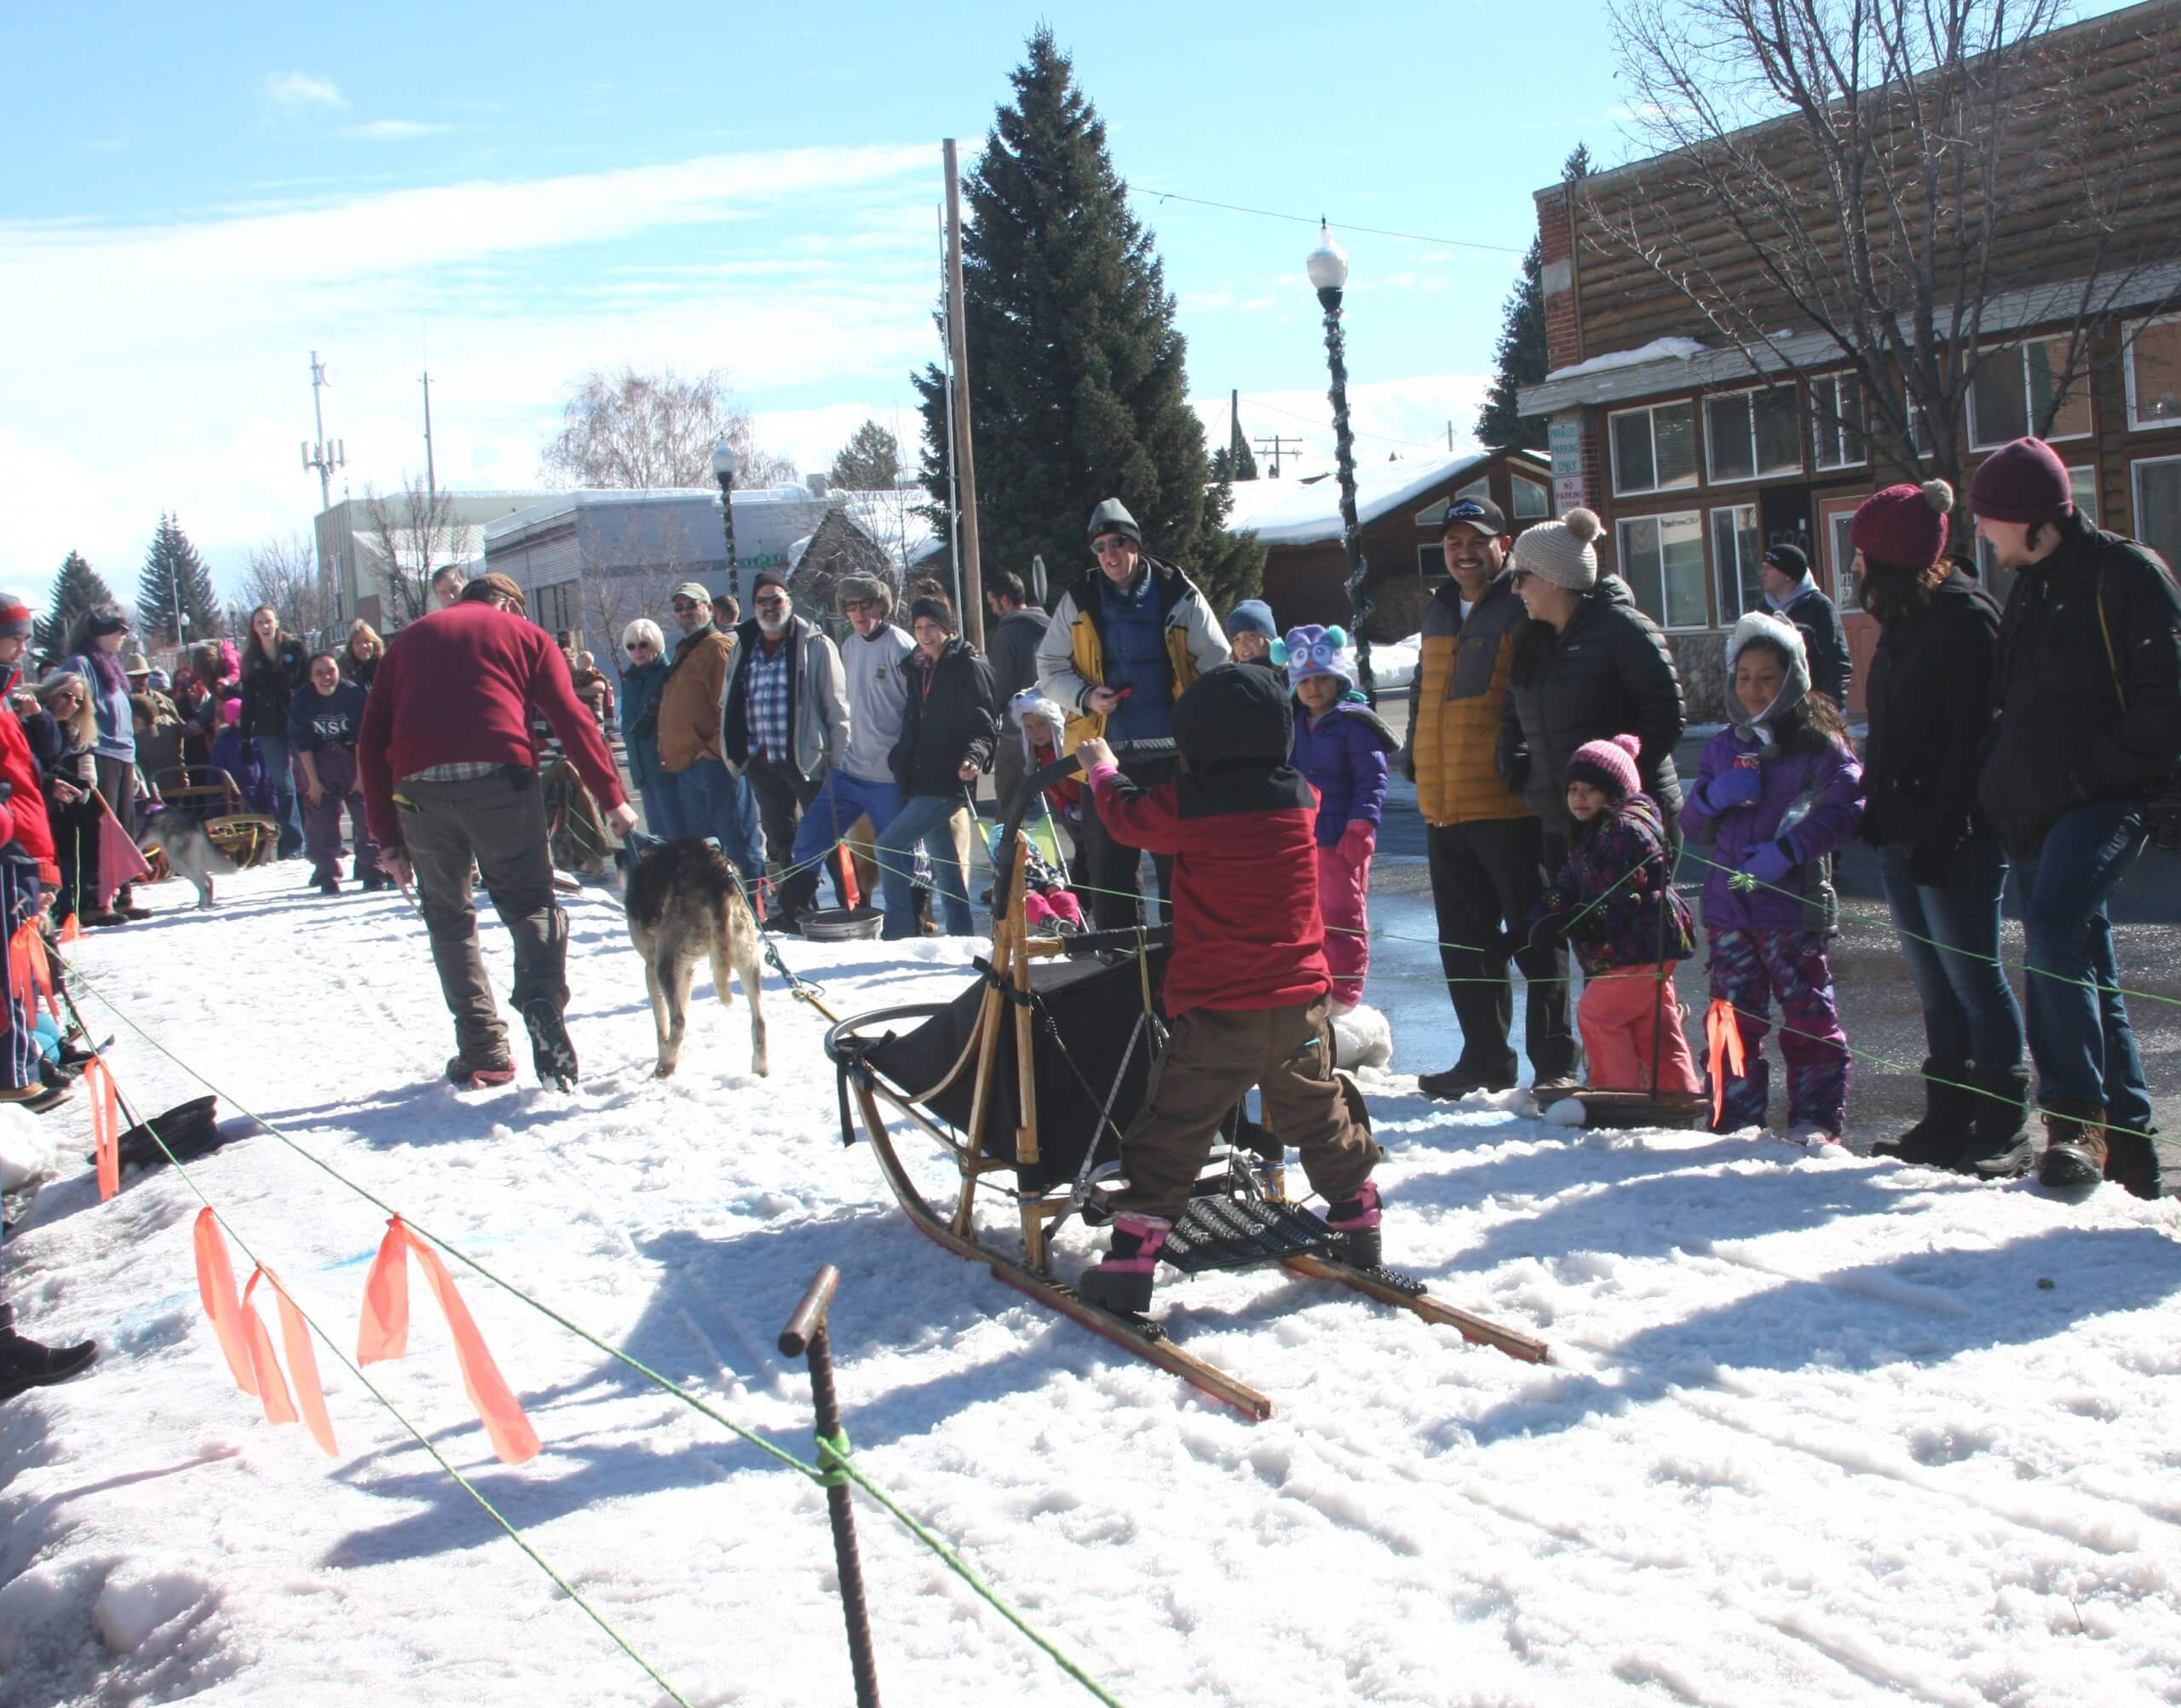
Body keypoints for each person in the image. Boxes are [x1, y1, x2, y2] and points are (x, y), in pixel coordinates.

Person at [1071, 664, 1383, 1314]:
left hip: (1220, 1008)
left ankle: (1131, 1260)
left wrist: (1102, 767)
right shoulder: (1300, 796)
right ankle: (1357, 1217)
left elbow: (1127, 819)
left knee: (1173, 1128)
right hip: (1299, 1003)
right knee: (1317, 1113)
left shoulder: (1191, 801)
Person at [1972, 436, 2181, 1197]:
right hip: (2034, 809)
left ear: (2035, 521)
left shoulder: (2127, 576)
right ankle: (2133, 1149)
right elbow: (2014, 707)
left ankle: (2072, 1121)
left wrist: (2086, 773)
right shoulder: (2028, 584)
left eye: (1992, 520)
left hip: (2108, 797)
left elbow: (2167, 702)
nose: (1984, 534)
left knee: (2055, 928)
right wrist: (1998, 786)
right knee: (2086, 962)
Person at [358, 573, 638, 1090]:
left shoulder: (410, 640)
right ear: (510, 603)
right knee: (531, 903)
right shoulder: (525, 636)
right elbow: (573, 719)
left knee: (449, 919)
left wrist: (387, 840)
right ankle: (539, 997)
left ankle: (484, 1046)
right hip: (500, 779)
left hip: (419, 792)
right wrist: (611, 797)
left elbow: (371, 741)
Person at [1851, 480, 2027, 1175]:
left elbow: (1976, 737)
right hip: (1901, 826)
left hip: (1954, 832)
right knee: (1933, 982)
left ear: (1893, 558)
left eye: (1865, 553)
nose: (1857, 566)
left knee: (1974, 975)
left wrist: (1947, 825)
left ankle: (2003, 1123)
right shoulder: (1905, 613)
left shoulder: (1966, 616)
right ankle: (1947, 1117)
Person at [1406, 496, 1579, 1101]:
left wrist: (1528, 762)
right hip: (1444, 804)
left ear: (1504, 545)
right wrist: (1412, 751)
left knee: (1536, 938)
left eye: (1477, 540)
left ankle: (1554, 1062)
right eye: (1454, 542)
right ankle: (1484, 1058)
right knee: (1465, 943)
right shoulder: (1436, 611)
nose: (1464, 553)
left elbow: (1539, 693)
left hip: (1509, 805)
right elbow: (1424, 694)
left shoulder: (1522, 604)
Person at [1682, 612, 1864, 1143]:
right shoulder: (1723, 746)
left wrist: (1789, 848)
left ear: (1792, 680)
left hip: (1791, 905)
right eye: (1745, 677)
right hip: (1730, 906)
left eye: (1767, 678)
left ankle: (1816, 1119)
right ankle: (1733, 1117)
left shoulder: (1819, 746)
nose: (1754, 689)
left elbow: (1848, 810)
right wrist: (1713, 797)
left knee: (1808, 1015)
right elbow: (1691, 827)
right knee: (1730, 1020)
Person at [1035, 498, 1229, 929]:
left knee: (1179, 869)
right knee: (1111, 875)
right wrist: (1086, 696)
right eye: (1101, 547)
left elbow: (1216, 657)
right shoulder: (1079, 598)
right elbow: (1048, 666)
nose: (1109, 554)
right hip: (1104, 758)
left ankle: (1184, 960)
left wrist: (1194, 710)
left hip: (1172, 757)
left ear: (1136, 545)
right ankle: (1119, 965)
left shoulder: (1178, 592)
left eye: (1118, 542)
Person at [1521, 735, 1700, 1107]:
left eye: (1591, 790)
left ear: (1616, 793)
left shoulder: (1624, 831)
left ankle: (1615, 1095)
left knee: (1598, 1013)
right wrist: (1533, 924)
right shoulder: (1591, 834)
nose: (1579, 798)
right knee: (1653, 1025)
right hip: (1639, 945)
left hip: (1640, 944)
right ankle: (1677, 1095)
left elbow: (1622, 892)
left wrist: (1583, 920)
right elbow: (1568, 886)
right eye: (1573, 789)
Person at [1501, 508, 1686, 861]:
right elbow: (1512, 718)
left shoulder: (1623, 628)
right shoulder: (1530, 638)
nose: (1515, 589)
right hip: (1561, 821)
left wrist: (1613, 784)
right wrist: (1520, 775)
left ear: (1552, 578)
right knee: (1568, 918)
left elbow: (1665, 714)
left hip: (1631, 821)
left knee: (1631, 917)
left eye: (1521, 577)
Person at [777, 574, 914, 923]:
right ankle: (793, 909)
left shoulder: (901, 646)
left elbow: (919, 710)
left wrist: (909, 760)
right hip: (850, 771)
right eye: (851, 606)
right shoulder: (849, 646)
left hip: (887, 776)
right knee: (810, 835)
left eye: (866, 604)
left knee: (898, 856)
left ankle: (908, 923)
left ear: (882, 605)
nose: (859, 612)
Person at [720, 571, 849, 918]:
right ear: (753, 606)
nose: (770, 607)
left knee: (828, 839)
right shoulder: (743, 646)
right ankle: (798, 909)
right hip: (762, 761)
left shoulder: (815, 644)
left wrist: (838, 757)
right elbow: (730, 700)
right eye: (762, 601)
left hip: (808, 760)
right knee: (782, 842)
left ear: (789, 602)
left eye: (776, 600)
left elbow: (837, 706)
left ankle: (853, 906)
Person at [1284, 625, 1394, 1013]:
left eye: (1322, 678)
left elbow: (1372, 780)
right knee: (1306, 915)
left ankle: (1345, 995)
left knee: (1343, 914)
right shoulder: (1292, 725)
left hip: (1341, 836)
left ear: (1338, 679)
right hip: (1302, 837)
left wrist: (1362, 824)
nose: (1313, 688)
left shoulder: (1353, 723)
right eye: (1305, 680)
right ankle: (1313, 982)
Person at [878, 594, 995, 939]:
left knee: (888, 845)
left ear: (948, 629)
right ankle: (962, 937)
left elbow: (984, 723)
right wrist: (900, 757)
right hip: (919, 777)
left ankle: (897, 933)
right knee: (945, 868)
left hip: (948, 779)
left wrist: (974, 757)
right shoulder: (919, 667)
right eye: (918, 627)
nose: (925, 634)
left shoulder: (968, 665)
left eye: (932, 627)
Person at [651, 581, 761, 876]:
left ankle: (753, 914)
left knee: (738, 848)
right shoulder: (689, 649)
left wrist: (712, 749)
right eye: (679, 607)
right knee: (706, 854)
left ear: (710, 610)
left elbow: (735, 706)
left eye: (693, 605)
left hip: (716, 766)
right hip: (690, 769)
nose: (685, 612)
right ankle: (719, 916)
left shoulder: (717, 647)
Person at [62, 604, 147, 920]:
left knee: (125, 828)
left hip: (123, 754)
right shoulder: (80, 664)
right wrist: (83, 755)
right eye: (118, 631)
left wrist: (135, 764)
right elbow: (71, 711)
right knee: (100, 830)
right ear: (98, 632)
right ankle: (96, 900)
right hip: (99, 753)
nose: (124, 636)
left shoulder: (112, 665)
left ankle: (122, 894)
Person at [291, 651, 383, 895]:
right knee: (319, 816)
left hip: (352, 757)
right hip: (319, 760)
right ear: (311, 677)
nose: (325, 677)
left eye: (330, 671)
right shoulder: (303, 699)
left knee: (366, 814)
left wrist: (362, 778)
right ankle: (326, 872)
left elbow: (365, 738)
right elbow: (303, 745)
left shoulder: (353, 695)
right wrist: (313, 782)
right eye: (319, 673)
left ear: (338, 671)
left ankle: (372, 869)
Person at [237, 605, 308, 860]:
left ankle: (320, 837)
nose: (265, 627)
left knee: (310, 779)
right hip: (269, 727)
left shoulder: (294, 650)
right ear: (254, 628)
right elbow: (248, 701)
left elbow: (308, 684)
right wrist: (245, 737)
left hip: (297, 721)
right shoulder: (251, 660)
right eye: (260, 623)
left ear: (277, 622)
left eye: (268, 621)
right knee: (283, 785)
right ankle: (294, 844)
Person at [34, 675, 106, 926]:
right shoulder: (34, 721)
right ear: (53, 693)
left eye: (77, 701)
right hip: (32, 803)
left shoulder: (65, 730)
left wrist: (79, 781)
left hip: (54, 803)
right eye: (66, 696)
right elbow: (31, 766)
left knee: (64, 851)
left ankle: (65, 911)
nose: (70, 704)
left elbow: (52, 766)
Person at [984, 570, 1050, 814]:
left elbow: (1001, 685)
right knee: (1061, 799)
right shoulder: (1051, 627)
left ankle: (1010, 850)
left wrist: (990, 715)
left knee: (1010, 805)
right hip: (1054, 726)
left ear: (1004, 600)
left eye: (992, 603)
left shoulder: (1006, 634)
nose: (992, 610)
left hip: (1018, 730)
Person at [1760, 543, 1852, 707]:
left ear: (1788, 575)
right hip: (1772, 705)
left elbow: (1837, 663)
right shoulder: (1762, 610)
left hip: (1811, 706)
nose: (1763, 574)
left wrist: (1830, 706)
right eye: (1763, 568)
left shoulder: (1818, 607)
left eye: (1769, 568)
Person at [617, 618, 674, 835]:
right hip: (642, 771)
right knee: (657, 838)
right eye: (631, 646)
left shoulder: (668, 674)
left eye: (644, 644)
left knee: (677, 837)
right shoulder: (630, 679)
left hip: (667, 770)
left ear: (657, 644)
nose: (637, 650)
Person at [210, 699, 273, 815]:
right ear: (234, 720)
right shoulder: (223, 744)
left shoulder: (259, 741)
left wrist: (272, 805)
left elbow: (269, 774)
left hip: (261, 802)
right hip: (235, 805)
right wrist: (215, 811)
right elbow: (215, 777)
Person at [1224, 600, 1280, 668]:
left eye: (1251, 636)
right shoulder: (1229, 676)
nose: (1243, 644)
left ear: (1269, 640)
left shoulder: (1291, 673)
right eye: (1236, 639)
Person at [342, 620, 384, 692]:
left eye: (367, 641)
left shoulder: (385, 666)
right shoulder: (344, 671)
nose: (363, 646)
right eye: (358, 643)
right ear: (351, 647)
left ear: (374, 643)